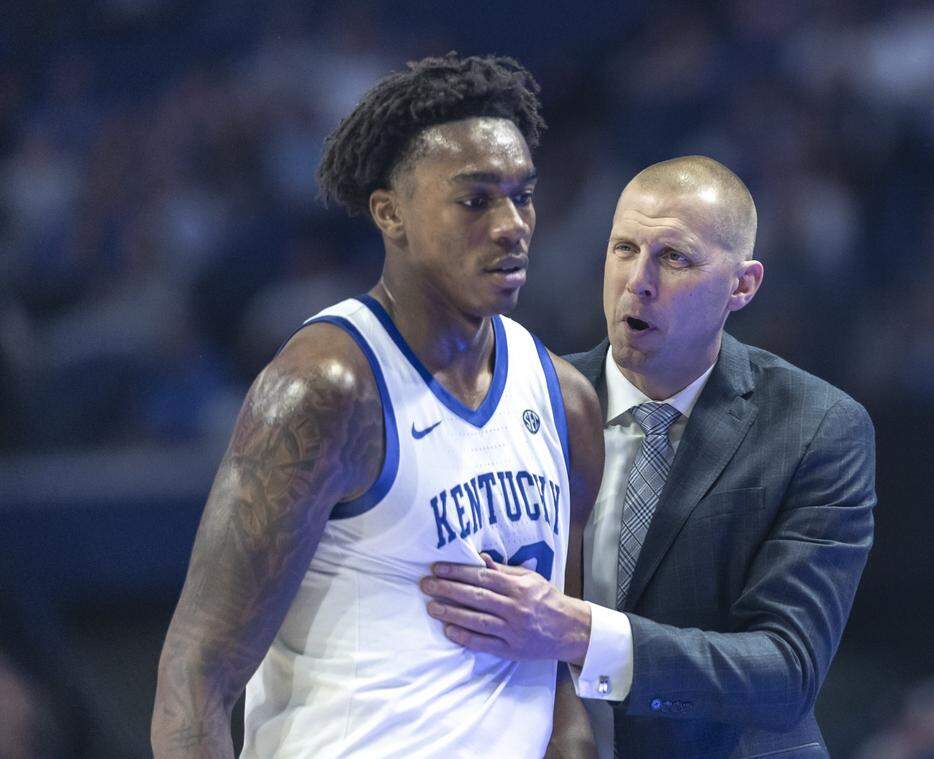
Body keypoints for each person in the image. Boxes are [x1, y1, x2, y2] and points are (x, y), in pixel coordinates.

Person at [151, 53, 603, 758]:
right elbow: (195, 678)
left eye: (523, 195)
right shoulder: (326, 390)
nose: (513, 225)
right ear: (390, 213)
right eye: (477, 200)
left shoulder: (565, 402)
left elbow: (562, 677)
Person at [421, 155, 877, 758]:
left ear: (742, 286)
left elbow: (786, 671)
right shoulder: (520, 402)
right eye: (625, 248)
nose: (639, 280)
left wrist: (577, 631)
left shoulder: (815, 427)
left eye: (675, 257)